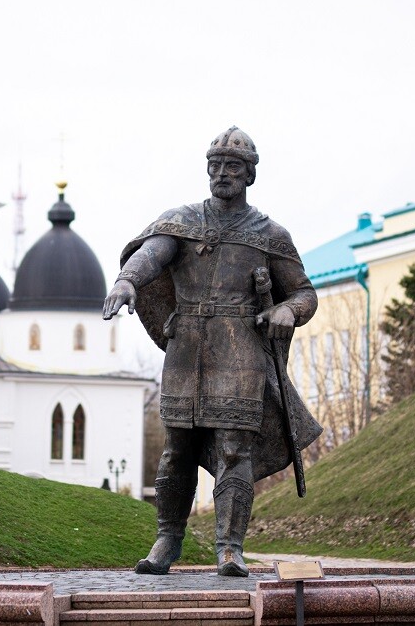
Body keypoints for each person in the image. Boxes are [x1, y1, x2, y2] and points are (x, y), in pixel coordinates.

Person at [103, 126, 320, 577]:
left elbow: (304, 293)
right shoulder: (181, 221)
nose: (222, 174)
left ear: (249, 176)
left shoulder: (269, 234)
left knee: (235, 450)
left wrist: (287, 312)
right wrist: (128, 280)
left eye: (233, 167)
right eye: (215, 166)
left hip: (240, 351)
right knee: (176, 449)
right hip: (186, 347)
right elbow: (151, 254)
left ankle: (230, 547)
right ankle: (167, 540)